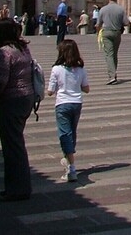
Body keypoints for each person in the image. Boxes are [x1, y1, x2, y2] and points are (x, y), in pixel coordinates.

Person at [0, 19, 35, 201]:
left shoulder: (5, 52)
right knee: (16, 143)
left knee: (12, 146)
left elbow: (2, 79)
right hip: (27, 98)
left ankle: (17, 189)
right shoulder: (23, 48)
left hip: (13, 100)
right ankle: (18, 186)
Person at [48, 39, 89, 183]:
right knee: (72, 132)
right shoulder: (81, 69)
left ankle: (71, 167)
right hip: (77, 103)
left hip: (62, 104)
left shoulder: (56, 69)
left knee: (64, 134)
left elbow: (50, 91)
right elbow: (86, 88)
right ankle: (68, 159)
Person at [97, 0, 126, 84]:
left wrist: (98, 32)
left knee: (109, 54)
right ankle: (113, 72)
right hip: (117, 33)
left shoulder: (103, 9)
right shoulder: (121, 9)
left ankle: (112, 75)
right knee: (114, 54)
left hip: (106, 32)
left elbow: (98, 24)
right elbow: (126, 22)